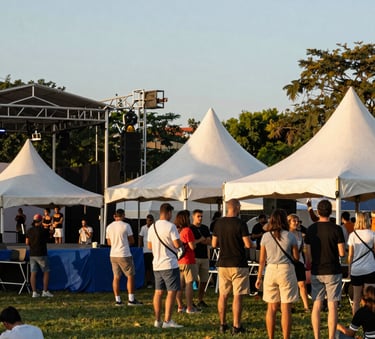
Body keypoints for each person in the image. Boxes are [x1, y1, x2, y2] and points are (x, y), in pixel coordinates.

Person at [304, 199, 346, 339]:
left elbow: (308, 254)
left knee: (316, 304)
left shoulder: (311, 229)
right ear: (330, 211)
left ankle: (316, 336)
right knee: (332, 305)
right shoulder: (336, 229)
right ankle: (331, 337)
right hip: (333, 269)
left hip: (317, 270)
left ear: (318, 211)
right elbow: (341, 253)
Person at [255, 209, 299, 339]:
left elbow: (262, 259)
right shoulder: (290, 236)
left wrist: (259, 277)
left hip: (270, 270)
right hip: (286, 270)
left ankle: (271, 337)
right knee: (286, 309)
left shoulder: (265, 236)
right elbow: (296, 257)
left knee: (271, 307)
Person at [212, 199, 251, 335]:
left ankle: (222, 324)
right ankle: (236, 325)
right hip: (238, 263)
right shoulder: (241, 223)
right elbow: (247, 244)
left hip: (223, 263)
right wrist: (252, 244)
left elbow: (213, 243)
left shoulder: (219, 223)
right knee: (237, 295)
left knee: (223, 295)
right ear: (237, 207)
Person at [148, 203, 184, 329]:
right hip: (169, 263)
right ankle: (167, 321)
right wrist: (180, 243)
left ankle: (157, 320)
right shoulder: (171, 226)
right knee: (171, 292)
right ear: (168, 212)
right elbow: (176, 243)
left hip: (156, 264)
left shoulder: (152, 227)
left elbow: (149, 246)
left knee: (158, 292)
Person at [106, 209, 142, 307]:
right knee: (130, 276)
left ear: (114, 216)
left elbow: (109, 243)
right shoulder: (126, 226)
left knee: (116, 277)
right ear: (123, 216)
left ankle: (118, 300)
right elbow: (132, 240)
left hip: (113, 254)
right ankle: (131, 299)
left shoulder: (109, 227)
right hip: (124, 254)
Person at [347, 212, 375, 315]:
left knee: (356, 298)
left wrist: (350, 271)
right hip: (370, 268)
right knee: (370, 297)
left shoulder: (353, 235)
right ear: (367, 220)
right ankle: (370, 319)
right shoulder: (372, 234)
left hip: (356, 269)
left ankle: (356, 321)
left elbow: (350, 255)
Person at [175, 210, 200, 314]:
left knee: (180, 285)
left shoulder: (177, 231)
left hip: (179, 260)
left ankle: (180, 306)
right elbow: (192, 246)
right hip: (188, 259)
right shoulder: (187, 230)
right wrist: (197, 241)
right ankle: (190, 307)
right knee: (189, 283)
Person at [25, 214, 53, 298]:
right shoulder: (43, 230)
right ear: (41, 221)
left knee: (33, 273)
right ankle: (45, 291)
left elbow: (27, 242)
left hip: (32, 254)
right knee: (46, 271)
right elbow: (50, 237)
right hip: (41, 253)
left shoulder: (29, 230)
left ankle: (34, 292)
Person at [288, 213, 310, 312]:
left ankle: (306, 306)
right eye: (294, 221)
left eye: (298, 221)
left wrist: (306, 260)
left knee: (302, 284)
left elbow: (303, 249)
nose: (297, 223)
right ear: (289, 222)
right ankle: (290, 305)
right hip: (289, 262)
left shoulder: (300, 234)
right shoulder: (286, 234)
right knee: (290, 285)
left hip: (299, 261)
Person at [190, 209, 211, 308]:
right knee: (192, 280)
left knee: (204, 280)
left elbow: (209, 241)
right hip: (194, 257)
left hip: (204, 257)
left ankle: (200, 299)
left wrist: (203, 241)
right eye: (198, 216)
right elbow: (191, 243)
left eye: (201, 216)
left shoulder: (205, 228)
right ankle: (190, 300)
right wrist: (200, 240)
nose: (200, 218)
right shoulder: (190, 228)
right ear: (193, 217)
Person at [138, 214, 155, 288]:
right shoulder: (143, 228)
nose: (149, 222)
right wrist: (139, 247)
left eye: (150, 221)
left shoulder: (154, 228)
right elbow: (140, 237)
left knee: (153, 267)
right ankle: (148, 282)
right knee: (148, 267)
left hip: (154, 251)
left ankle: (155, 281)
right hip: (146, 251)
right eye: (147, 220)